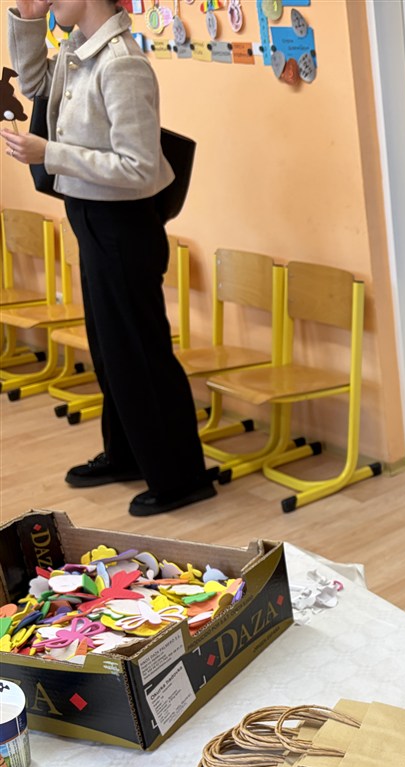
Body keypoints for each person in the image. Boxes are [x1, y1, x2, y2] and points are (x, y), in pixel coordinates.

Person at [3, 0, 214, 516]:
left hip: (124, 226)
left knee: (139, 351)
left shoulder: (122, 64)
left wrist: (49, 153)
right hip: (92, 217)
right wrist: (27, 18)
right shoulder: (79, 50)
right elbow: (33, 82)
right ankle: (128, 454)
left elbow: (139, 168)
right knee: (110, 349)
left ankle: (181, 477)